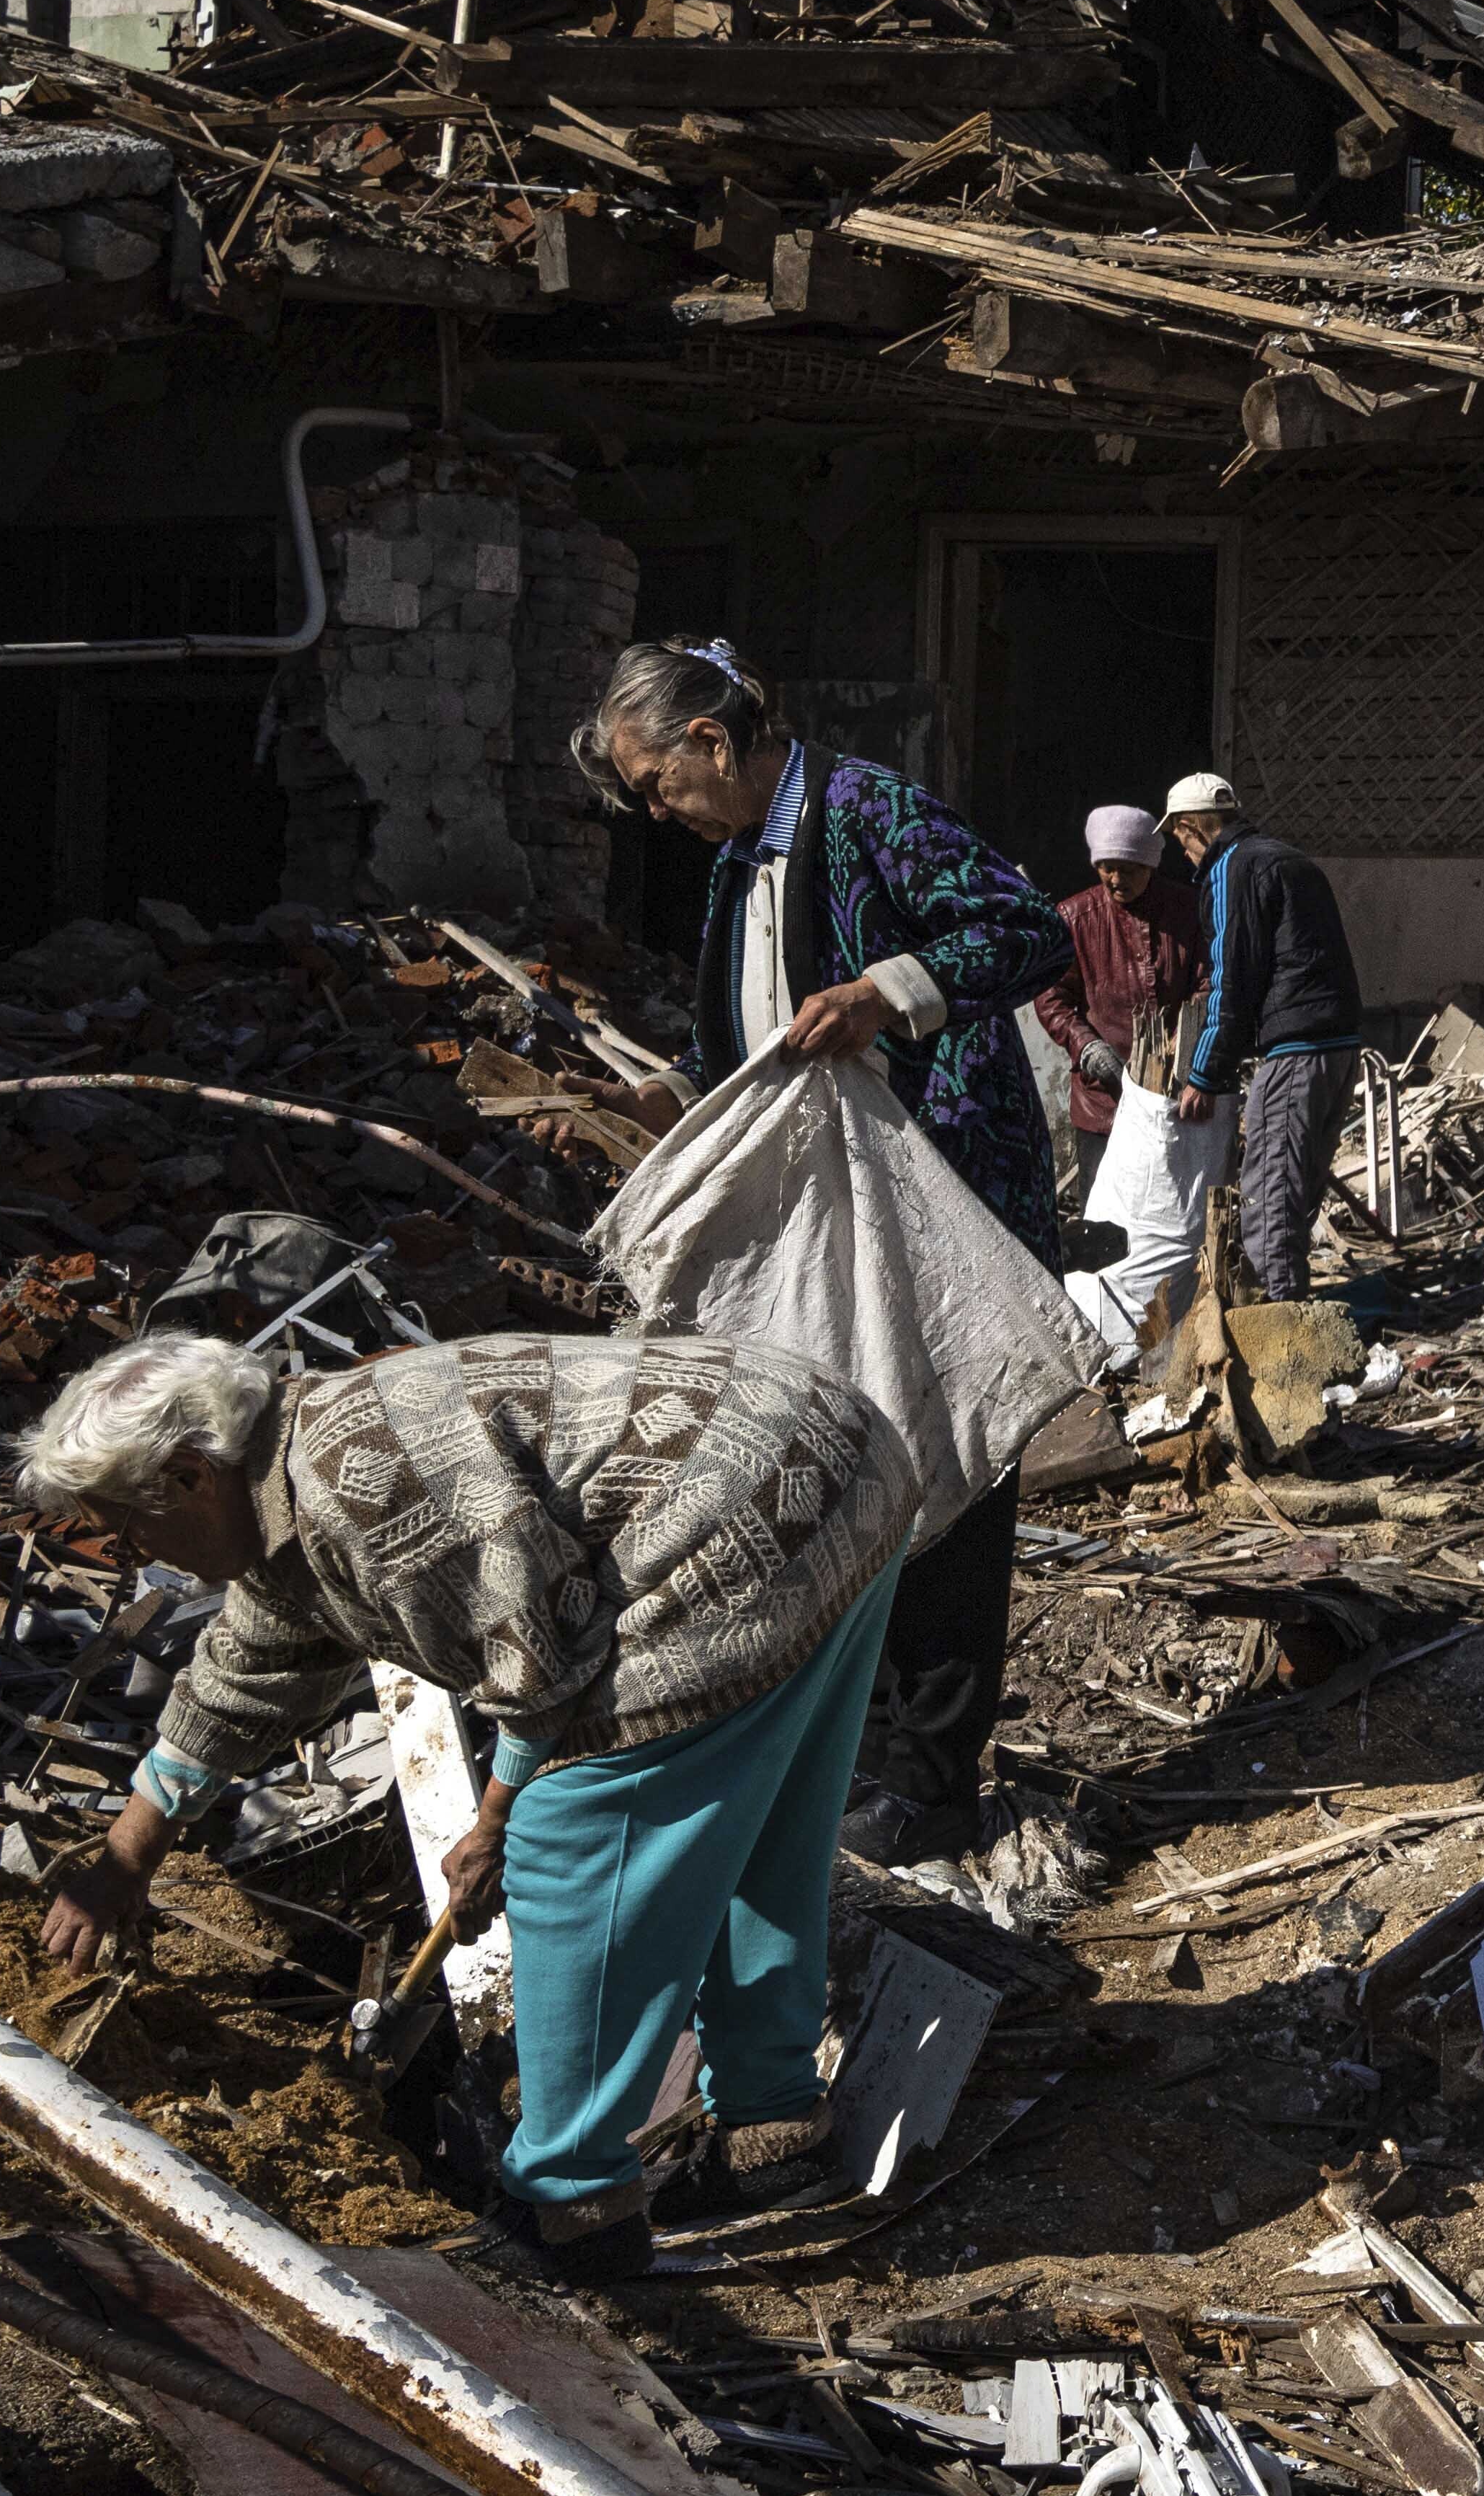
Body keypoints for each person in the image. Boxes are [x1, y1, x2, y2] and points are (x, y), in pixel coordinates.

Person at [19, 1326, 921, 2275]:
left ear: (194, 1475)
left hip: (755, 1502)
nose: (132, 1555)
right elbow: (246, 1672)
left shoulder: (356, 1486)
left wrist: (494, 1824)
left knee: (571, 1835)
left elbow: (539, 1660)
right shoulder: (283, 1482)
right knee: (759, 1818)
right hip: (838, 1458)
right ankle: (774, 2127)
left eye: (129, 1528)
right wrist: (125, 1859)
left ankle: (571, 2207)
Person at [569, 639, 1070, 1873]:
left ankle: (934, 1787)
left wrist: (889, 991)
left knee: (941, 1476)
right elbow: (749, 1033)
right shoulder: (740, 859)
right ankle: (869, 1754)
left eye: (652, 784)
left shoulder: (864, 810)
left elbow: (1023, 933)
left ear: (709, 740)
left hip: (932, 1203)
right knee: (845, 1477)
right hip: (820, 1225)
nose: (653, 813)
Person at [1161, 769, 1369, 1299]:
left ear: (1191, 827)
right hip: (1338, 1043)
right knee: (1295, 1193)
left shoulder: (1234, 865)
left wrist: (1204, 1073)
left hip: (1296, 1048)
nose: (1180, 855)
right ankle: (1292, 1307)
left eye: (1177, 840)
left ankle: (1278, 1330)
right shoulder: (1289, 858)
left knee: (1269, 1195)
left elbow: (1233, 977)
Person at [1034, 803, 1189, 1203]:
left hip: (1173, 1091)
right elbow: (1052, 997)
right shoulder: (1073, 917)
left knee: (1166, 1209)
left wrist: (1185, 1042)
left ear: (1150, 866)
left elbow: (1208, 982)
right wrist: (1087, 1046)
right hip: (1102, 1098)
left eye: (1129, 869)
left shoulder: (1186, 911)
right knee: (1103, 1214)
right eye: (1106, 867)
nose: (1116, 879)